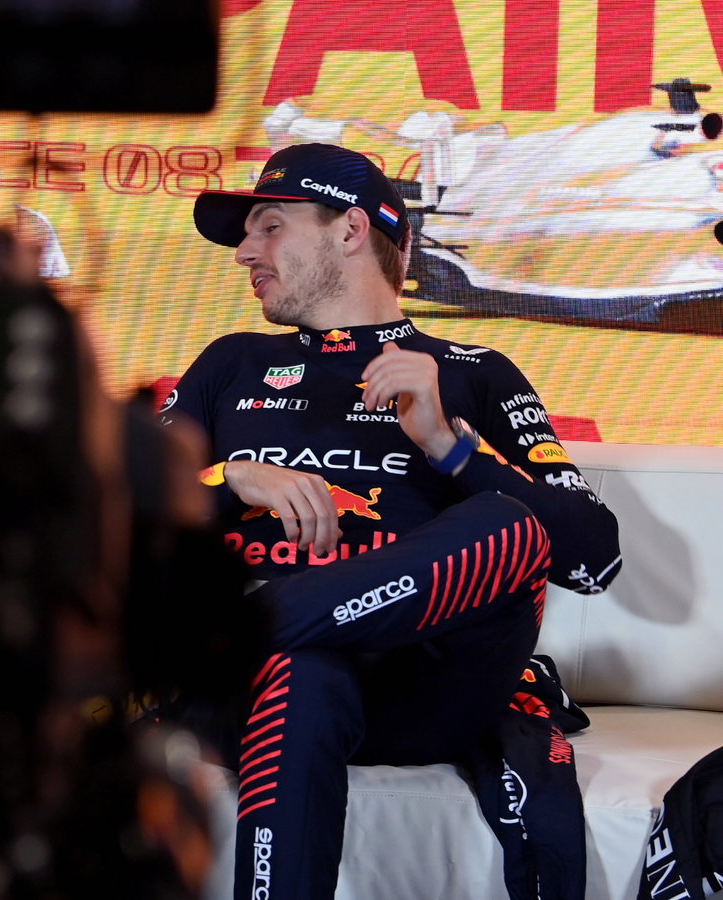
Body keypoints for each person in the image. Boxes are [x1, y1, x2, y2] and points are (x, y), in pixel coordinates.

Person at [158, 142, 622, 898]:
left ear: (347, 231)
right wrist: (228, 478)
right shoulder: (230, 364)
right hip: (267, 681)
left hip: (426, 684)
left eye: (268, 226)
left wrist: (451, 446)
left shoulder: (476, 372)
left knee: (504, 519)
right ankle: (274, 632)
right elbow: (119, 522)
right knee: (302, 668)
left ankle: (264, 624)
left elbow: (591, 556)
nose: (244, 251)